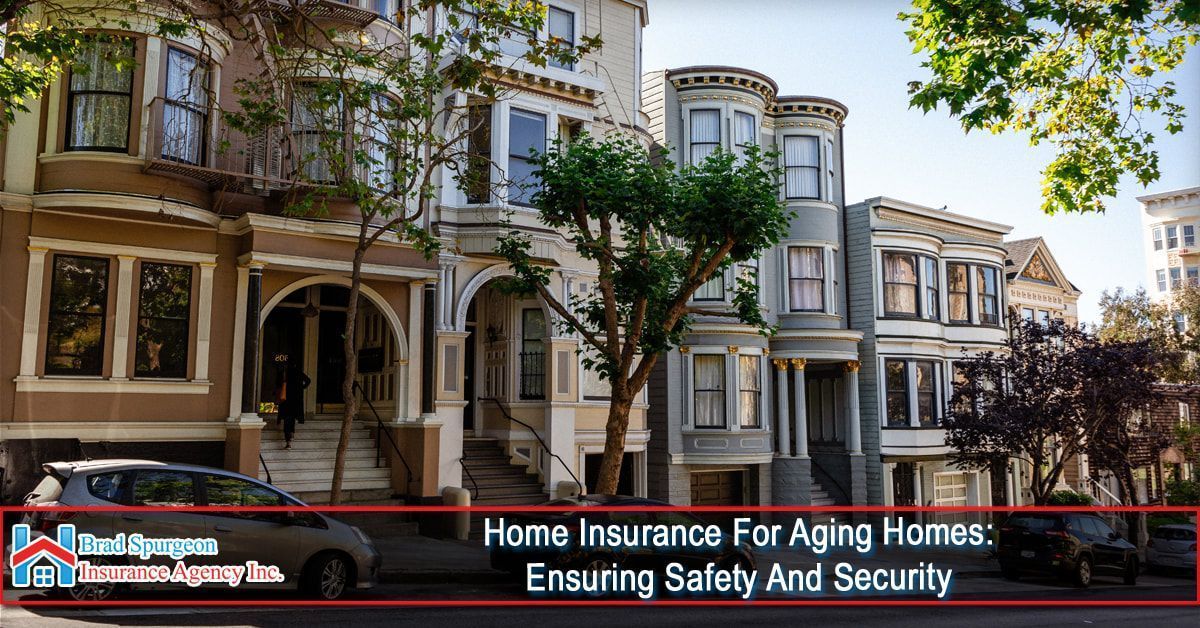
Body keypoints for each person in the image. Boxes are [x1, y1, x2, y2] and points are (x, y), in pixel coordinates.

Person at [277, 355, 311, 449]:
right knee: (291, 419)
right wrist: (301, 388)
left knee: (287, 420)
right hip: (295, 400)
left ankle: (288, 441)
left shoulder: (284, 373)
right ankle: (291, 435)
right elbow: (308, 380)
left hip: (286, 400)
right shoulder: (298, 372)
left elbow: (279, 384)